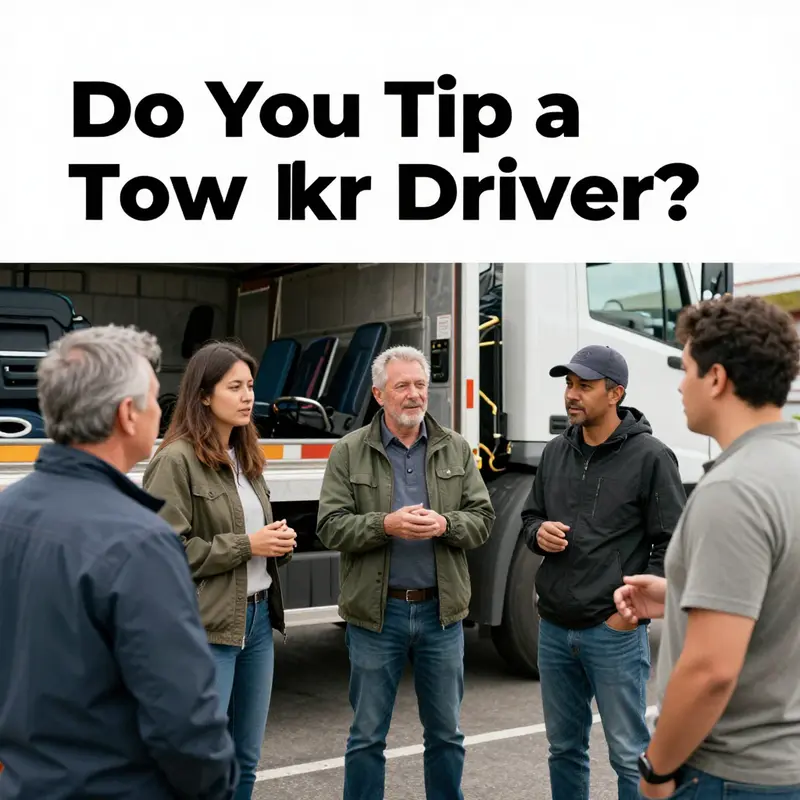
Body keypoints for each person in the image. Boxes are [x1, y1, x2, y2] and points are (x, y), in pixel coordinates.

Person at [0, 325, 238, 800]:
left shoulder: (8, 513)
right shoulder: (139, 541)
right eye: (154, 398)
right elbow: (185, 720)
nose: (160, 411)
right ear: (129, 414)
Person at [613, 295, 800, 799]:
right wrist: (678, 594)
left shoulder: (733, 489)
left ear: (716, 379)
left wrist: (655, 771)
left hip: (730, 775)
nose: (679, 383)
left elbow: (712, 671)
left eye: (687, 367)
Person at [316, 345, 494, 800]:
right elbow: (330, 527)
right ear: (379, 394)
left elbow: (483, 518)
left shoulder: (454, 447)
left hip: (440, 615)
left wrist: (445, 523)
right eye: (402, 387)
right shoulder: (349, 451)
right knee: (367, 737)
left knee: (446, 735)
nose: (414, 395)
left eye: (420, 385)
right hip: (379, 616)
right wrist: (385, 525)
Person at [521, 344, 686, 800]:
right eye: (569, 385)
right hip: (554, 629)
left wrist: (627, 615)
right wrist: (540, 534)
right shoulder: (556, 451)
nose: (572, 395)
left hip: (612, 632)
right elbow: (530, 516)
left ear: (615, 394)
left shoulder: (651, 456)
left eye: (585, 387)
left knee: (628, 751)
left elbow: (673, 544)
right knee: (564, 750)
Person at [143, 341, 296, 800]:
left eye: (250, 386)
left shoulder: (246, 458)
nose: (248, 395)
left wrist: (276, 544)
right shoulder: (175, 460)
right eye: (235, 387)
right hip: (206, 629)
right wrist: (247, 544)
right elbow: (163, 552)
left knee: (245, 759)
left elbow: (252, 537)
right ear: (204, 395)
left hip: (258, 625)